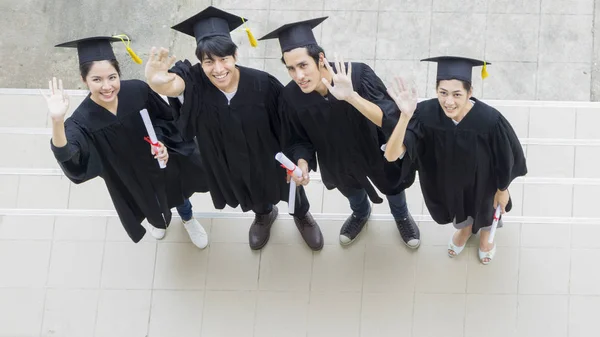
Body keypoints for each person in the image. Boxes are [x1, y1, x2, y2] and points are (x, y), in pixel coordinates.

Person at [144, 6, 324, 251]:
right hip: (228, 159)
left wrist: (298, 160)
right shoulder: (195, 81)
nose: (218, 69)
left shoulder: (263, 84)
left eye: (223, 59)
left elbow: (290, 127)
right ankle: (263, 215)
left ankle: (302, 215)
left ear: (235, 56)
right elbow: (175, 85)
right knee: (248, 189)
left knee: (287, 185)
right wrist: (158, 83)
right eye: (209, 62)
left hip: (268, 157)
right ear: (201, 62)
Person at [259, 18, 421, 248]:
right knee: (352, 192)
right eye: (291, 68)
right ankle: (361, 214)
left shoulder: (358, 75)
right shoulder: (290, 98)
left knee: (393, 186)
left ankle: (401, 216)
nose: (298, 76)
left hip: (374, 150)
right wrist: (302, 162)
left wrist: (351, 97)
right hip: (336, 160)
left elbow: (389, 119)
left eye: (303, 65)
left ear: (321, 58)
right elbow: (298, 140)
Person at [45, 35, 210, 248]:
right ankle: (156, 221)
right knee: (146, 202)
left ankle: (188, 218)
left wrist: (162, 144)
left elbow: (167, 118)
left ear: (118, 74)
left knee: (177, 193)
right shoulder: (81, 121)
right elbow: (68, 154)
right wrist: (57, 120)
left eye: (112, 77)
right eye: (97, 80)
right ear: (84, 79)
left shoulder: (137, 90)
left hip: (159, 164)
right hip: (127, 176)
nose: (107, 87)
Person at [382, 56, 527, 264]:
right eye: (443, 93)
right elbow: (391, 155)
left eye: (457, 94)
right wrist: (405, 116)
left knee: (486, 210)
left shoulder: (490, 120)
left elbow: (506, 157)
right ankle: (465, 230)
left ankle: (486, 237)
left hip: (484, 184)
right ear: (436, 91)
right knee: (457, 209)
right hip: (447, 181)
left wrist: (502, 189)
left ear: (470, 92)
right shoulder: (425, 114)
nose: (449, 102)